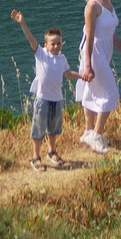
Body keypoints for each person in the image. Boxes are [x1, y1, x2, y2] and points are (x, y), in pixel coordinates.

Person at [11, 10, 78, 168]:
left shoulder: (62, 58)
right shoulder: (41, 54)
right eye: (52, 43)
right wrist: (22, 23)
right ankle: (35, 157)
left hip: (57, 99)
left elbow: (68, 74)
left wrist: (82, 76)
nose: (56, 46)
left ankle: (51, 152)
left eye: (58, 43)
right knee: (38, 128)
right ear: (46, 45)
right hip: (42, 99)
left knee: (54, 129)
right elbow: (31, 39)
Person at [73, 0, 121, 153]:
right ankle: (96, 135)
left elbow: (110, 32)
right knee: (111, 94)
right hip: (94, 52)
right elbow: (90, 36)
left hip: (105, 50)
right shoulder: (92, 6)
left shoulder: (108, 2)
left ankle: (88, 131)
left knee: (91, 91)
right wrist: (87, 65)